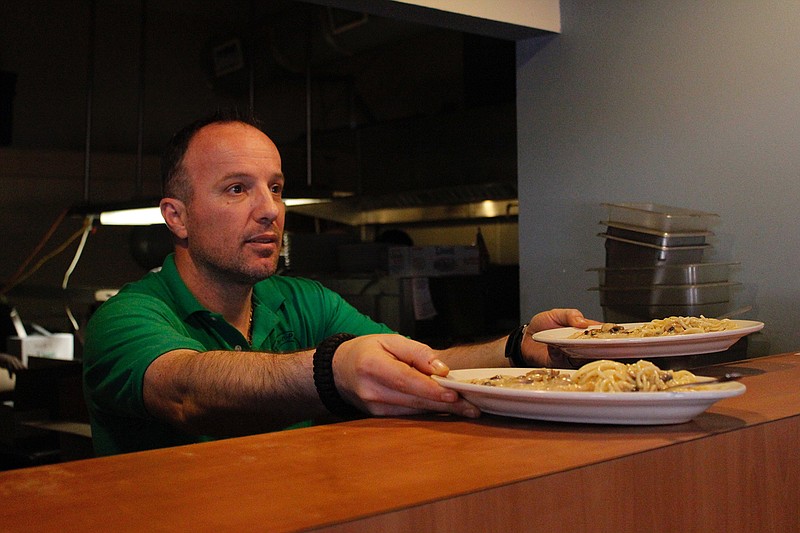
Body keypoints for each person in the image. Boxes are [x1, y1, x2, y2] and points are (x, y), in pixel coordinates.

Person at [82, 110, 598, 456]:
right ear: (177, 217)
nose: (269, 211)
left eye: (276, 188)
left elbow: (411, 363)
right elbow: (187, 392)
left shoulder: (302, 301)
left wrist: (517, 347)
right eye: (237, 189)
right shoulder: (126, 318)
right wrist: (332, 370)